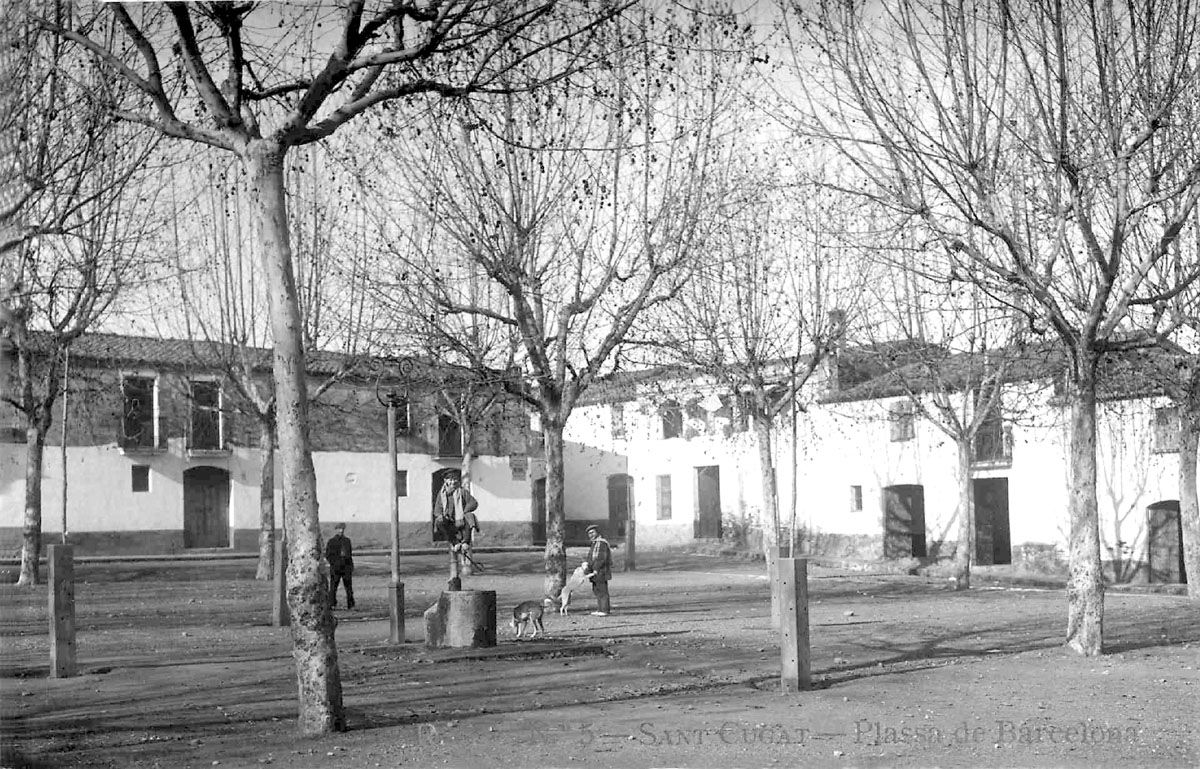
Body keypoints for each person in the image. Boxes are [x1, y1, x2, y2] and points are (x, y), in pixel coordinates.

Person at [431, 472, 480, 589]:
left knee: (470, 516)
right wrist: (441, 515)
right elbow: (437, 510)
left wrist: (464, 511)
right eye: (450, 480)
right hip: (449, 524)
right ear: (445, 481)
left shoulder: (462, 492)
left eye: (454, 480)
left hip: (461, 522)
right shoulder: (441, 495)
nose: (452, 482)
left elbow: (474, 503)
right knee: (439, 521)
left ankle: (465, 543)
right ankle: (454, 542)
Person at [583, 524, 612, 616]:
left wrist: (595, 569)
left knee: (602, 590)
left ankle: (604, 610)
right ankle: (600, 609)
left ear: (597, 532)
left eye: (592, 532)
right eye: (589, 533)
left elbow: (600, 558)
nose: (590, 535)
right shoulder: (595, 543)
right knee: (597, 590)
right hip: (595, 572)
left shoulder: (601, 543)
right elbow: (591, 558)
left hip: (600, 571)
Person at [325, 523, 355, 609]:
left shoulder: (347, 541)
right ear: (336, 530)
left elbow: (349, 554)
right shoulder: (331, 541)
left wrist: (350, 566)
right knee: (333, 587)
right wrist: (334, 563)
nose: (341, 531)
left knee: (348, 587)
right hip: (336, 568)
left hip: (346, 567)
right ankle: (332, 604)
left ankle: (351, 604)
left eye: (342, 529)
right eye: (339, 529)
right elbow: (328, 555)